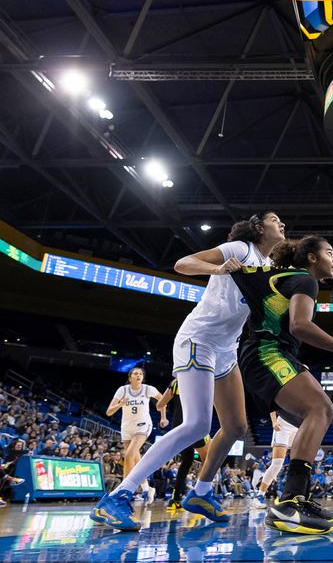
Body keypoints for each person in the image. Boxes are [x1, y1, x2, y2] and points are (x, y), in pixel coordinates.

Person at [91, 213, 284, 531]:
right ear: (259, 228)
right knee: (196, 425)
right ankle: (117, 497)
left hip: (226, 349)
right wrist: (217, 269)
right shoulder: (238, 248)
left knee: (235, 426)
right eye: (276, 220)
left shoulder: (269, 269)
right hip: (199, 340)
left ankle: (201, 493)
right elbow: (183, 263)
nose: (283, 225)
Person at [235, 235, 333, 534]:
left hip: (270, 353)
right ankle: (289, 502)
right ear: (312, 258)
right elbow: (300, 325)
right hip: (267, 353)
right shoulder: (304, 280)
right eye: (329, 252)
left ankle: (298, 496)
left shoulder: (286, 277)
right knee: (321, 409)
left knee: (316, 415)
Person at [105, 368, 162, 502]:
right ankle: (147, 488)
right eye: (136, 373)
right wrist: (120, 404)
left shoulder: (148, 389)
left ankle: (124, 491)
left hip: (143, 424)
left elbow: (162, 400)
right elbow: (109, 412)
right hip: (127, 427)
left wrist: (163, 416)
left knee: (129, 455)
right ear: (130, 377)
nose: (139, 375)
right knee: (135, 461)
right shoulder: (122, 390)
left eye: (141, 374)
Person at [155, 376, 209, 511]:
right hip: (195, 424)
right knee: (207, 461)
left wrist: (164, 418)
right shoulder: (200, 378)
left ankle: (175, 498)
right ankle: (199, 494)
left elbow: (159, 405)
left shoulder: (175, 382)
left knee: (187, 461)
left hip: (179, 427)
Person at [251, 410, 298, 507]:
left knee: (298, 463)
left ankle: (295, 497)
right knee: (277, 464)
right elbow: (273, 403)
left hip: (298, 426)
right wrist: (274, 421)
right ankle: (259, 495)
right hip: (283, 426)